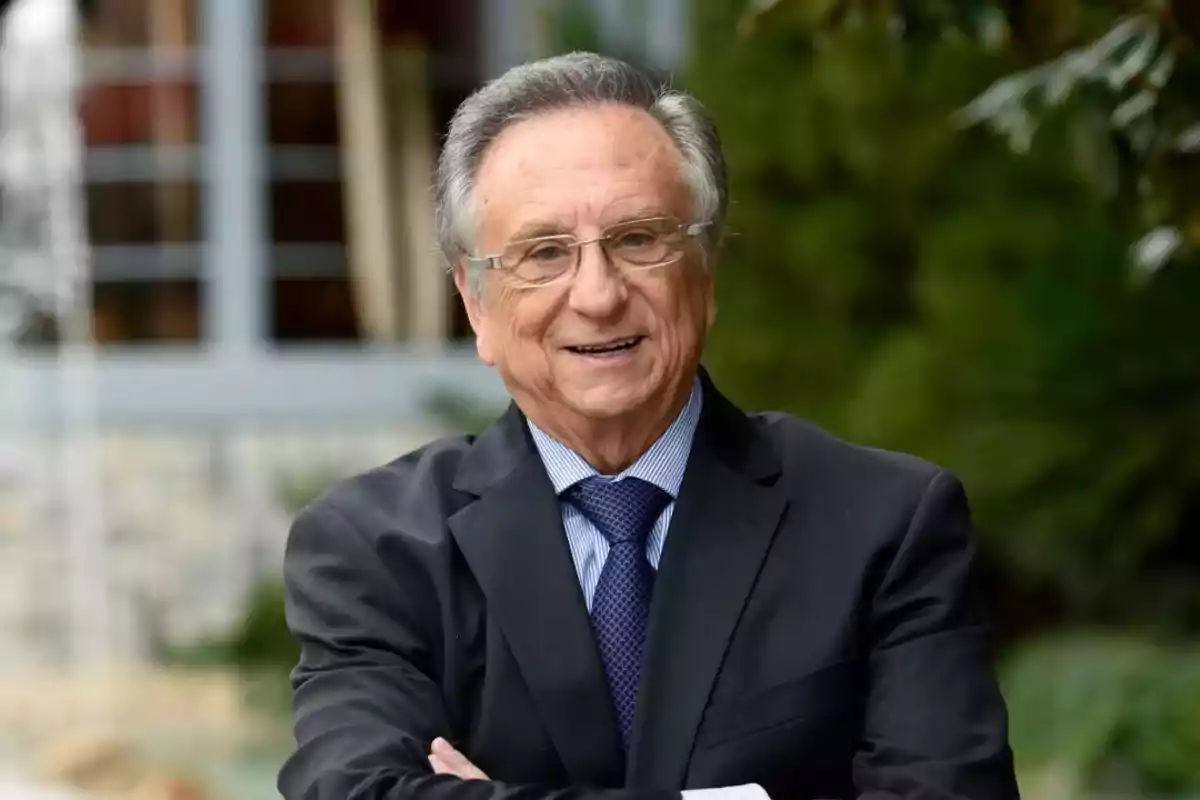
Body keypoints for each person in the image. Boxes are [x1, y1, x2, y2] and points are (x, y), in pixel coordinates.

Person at [277, 52, 1020, 800]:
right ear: (475, 301)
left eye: (638, 239)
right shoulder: (377, 551)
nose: (597, 296)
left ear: (704, 269)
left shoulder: (883, 526)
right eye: (544, 254)